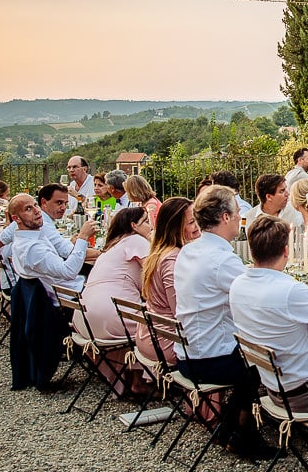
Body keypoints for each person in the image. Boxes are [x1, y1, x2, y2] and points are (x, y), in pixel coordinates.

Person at [172, 185, 266, 456]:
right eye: (237, 213)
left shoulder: (189, 251)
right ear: (225, 217)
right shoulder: (221, 259)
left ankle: (228, 428)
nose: (240, 218)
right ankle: (243, 433)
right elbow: (260, 300)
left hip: (186, 354)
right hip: (210, 360)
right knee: (264, 363)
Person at [229, 215, 308, 414]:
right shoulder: (289, 290)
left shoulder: (238, 284)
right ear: (286, 250)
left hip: (274, 387)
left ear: (252, 250)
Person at [8, 193, 96, 391]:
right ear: (16, 219)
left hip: (62, 291)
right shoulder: (32, 248)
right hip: (69, 300)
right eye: (28, 209)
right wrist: (82, 237)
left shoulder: (30, 236)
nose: (37, 211)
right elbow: (68, 271)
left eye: (34, 206)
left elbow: (62, 252)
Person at [74, 206, 151, 393]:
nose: (151, 226)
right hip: (110, 317)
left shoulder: (111, 247)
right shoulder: (136, 241)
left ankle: (130, 378)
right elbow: (153, 274)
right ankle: (147, 380)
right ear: (134, 225)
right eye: (147, 221)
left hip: (84, 318)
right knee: (158, 326)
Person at [136, 196, 197, 365]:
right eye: (191, 222)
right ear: (175, 227)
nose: (198, 227)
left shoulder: (159, 252)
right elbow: (180, 311)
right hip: (165, 342)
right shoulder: (173, 260)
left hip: (149, 334)